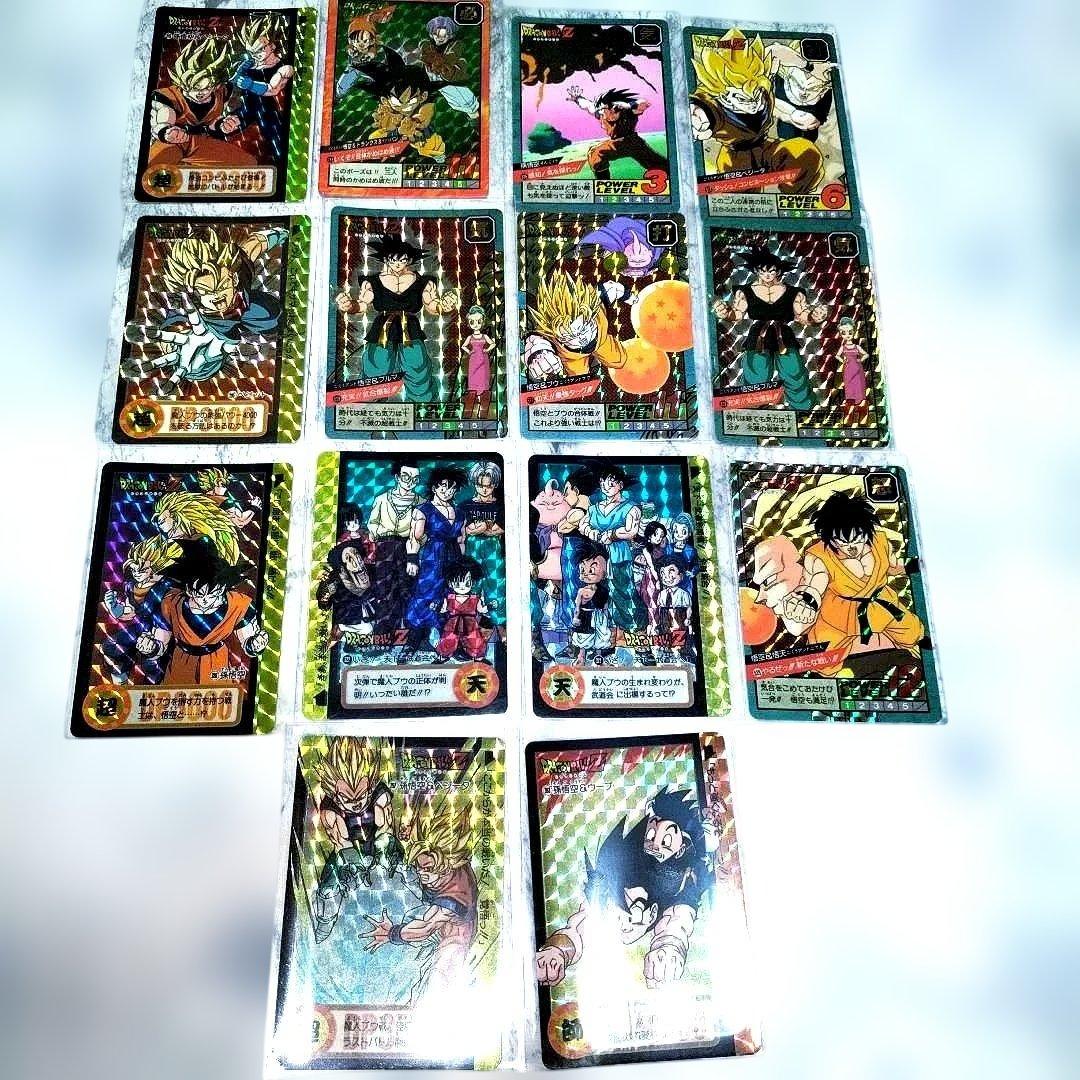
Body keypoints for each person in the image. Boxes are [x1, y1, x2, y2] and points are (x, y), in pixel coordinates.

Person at [534, 788, 711, 988]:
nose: (654, 845)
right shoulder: (614, 875)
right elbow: (579, 927)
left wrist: (669, 949)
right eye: (652, 834)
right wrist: (557, 951)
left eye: (666, 841)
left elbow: (676, 922)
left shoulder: (680, 887)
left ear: (682, 848)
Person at [335, 234, 459, 403]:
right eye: (393, 260)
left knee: (417, 368)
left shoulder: (423, 281)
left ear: (409, 260)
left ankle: (422, 407)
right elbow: (362, 305)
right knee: (376, 367)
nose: (398, 264)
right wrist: (349, 306)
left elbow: (432, 305)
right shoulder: (372, 282)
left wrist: (444, 305)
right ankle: (372, 405)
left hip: (410, 330)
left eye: (402, 260)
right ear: (386, 259)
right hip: (382, 330)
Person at [712, 248, 827, 413]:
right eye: (763, 271)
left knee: (794, 374)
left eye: (771, 271)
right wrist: (725, 312)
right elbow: (736, 314)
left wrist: (814, 317)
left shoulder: (793, 292)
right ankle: (751, 412)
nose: (767, 275)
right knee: (755, 377)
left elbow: (802, 315)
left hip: (784, 336)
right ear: (756, 270)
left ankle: (804, 411)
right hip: (758, 336)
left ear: (778, 271)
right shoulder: (744, 291)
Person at [403, 467, 467, 654]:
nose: (447, 491)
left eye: (452, 488)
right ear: (434, 487)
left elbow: (461, 540)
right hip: (432, 556)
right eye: (443, 486)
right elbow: (414, 538)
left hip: (454, 558)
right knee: (425, 595)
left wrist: (462, 565)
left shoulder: (459, 512)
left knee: (452, 598)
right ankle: (413, 642)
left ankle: (452, 644)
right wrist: (412, 559)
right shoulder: (423, 510)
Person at [566, 86, 669, 180]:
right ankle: (603, 182)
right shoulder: (602, 112)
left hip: (633, 142)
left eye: (609, 110)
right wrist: (577, 98)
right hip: (616, 143)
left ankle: (669, 172)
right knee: (595, 153)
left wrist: (627, 106)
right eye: (602, 110)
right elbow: (588, 106)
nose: (604, 114)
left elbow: (644, 104)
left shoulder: (627, 111)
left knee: (660, 165)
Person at [366, 462, 420, 635]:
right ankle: (384, 632)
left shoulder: (421, 502)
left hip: (408, 548)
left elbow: (423, 532)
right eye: (406, 477)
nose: (410, 482)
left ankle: (409, 633)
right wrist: (380, 534)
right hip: (385, 547)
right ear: (397, 477)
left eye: (415, 479)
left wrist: (414, 548)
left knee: (407, 588)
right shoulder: (382, 499)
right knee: (384, 589)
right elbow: (372, 524)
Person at [435, 557, 489, 662]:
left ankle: (479, 657)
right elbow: (443, 609)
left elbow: (481, 609)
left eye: (467, 583)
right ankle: (442, 656)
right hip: (453, 625)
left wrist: (487, 607)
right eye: (458, 583)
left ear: (473, 582)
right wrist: (437, 607)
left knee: (475, 641)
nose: (462, 587)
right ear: (450, 583)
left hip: (470, 625)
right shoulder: (450, 598)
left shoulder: (474, 598)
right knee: (448, 640)